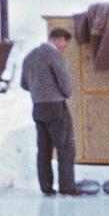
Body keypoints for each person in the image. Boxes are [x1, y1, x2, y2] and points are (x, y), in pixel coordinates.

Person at [20, 25, 78, 197]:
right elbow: (64, 81)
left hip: (38, 106)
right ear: (59, 40)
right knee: (65, 147)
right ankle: (67, 187)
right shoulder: (54, 56)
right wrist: (66, 93)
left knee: (43, 149)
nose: (65, 47)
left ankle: (46, 187)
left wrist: (38, 91)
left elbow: (24, 84)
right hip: (56, 106)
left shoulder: (30, 56)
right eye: (65, 44)